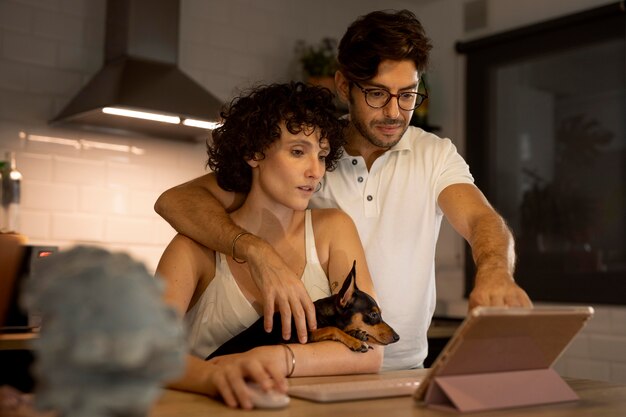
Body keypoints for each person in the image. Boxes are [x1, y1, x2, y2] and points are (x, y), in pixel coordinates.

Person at [154, 9, 532, 372]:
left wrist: (495, 270)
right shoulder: (310, 140)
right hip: (323, 365)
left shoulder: (433, 154)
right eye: (377, 94)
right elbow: (176, 201)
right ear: (343, 86)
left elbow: (481, 218)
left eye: (408, 95)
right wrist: (256, 250)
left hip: (395, 366)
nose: (394, 112)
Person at [155, 82, 383, 409]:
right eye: (297, 151)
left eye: (321, 154)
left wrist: (271, 358)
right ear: (253, 153)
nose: (315, 171)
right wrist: (213, 377)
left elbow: (372, 350)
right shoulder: (192, 248)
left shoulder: (334, 229)